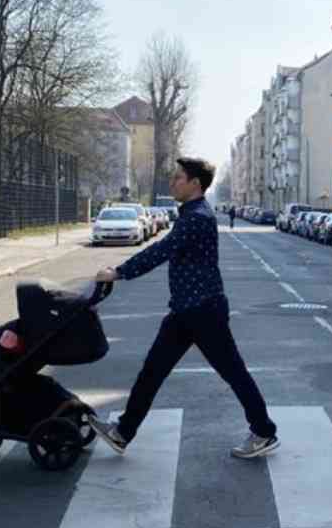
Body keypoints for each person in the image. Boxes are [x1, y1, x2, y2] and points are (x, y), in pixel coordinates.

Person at [93, 157, 279, 459]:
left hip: (202, 311)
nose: (173, 182)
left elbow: (161, 250)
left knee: (232, 373)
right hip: (188, 310)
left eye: (179, 178)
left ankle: (264, 432)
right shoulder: (193, 214)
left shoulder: (197, 218)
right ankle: (123, 432)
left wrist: (119, 271)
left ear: (195, 184)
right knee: (153, 372)